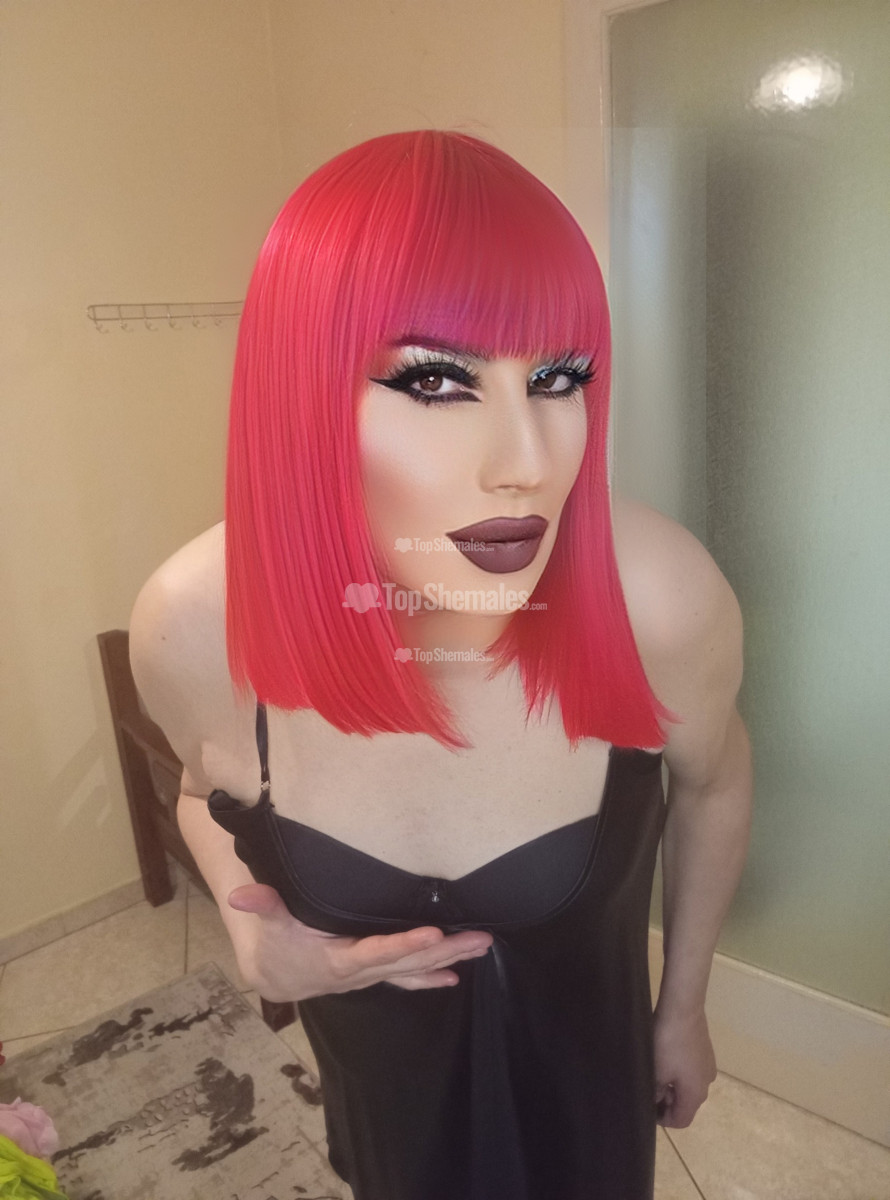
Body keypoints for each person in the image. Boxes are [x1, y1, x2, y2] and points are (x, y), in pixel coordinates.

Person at [129, 130, 752, 1200]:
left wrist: (683, 1007)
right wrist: (248, 927)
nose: (527, 462)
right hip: (383, 1108)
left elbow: (716, 784)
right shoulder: (194, 624)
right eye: (435, 379)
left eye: (556, 378)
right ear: (299, 392)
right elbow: (202, 790)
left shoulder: (659, 600)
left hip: (588, 1114)